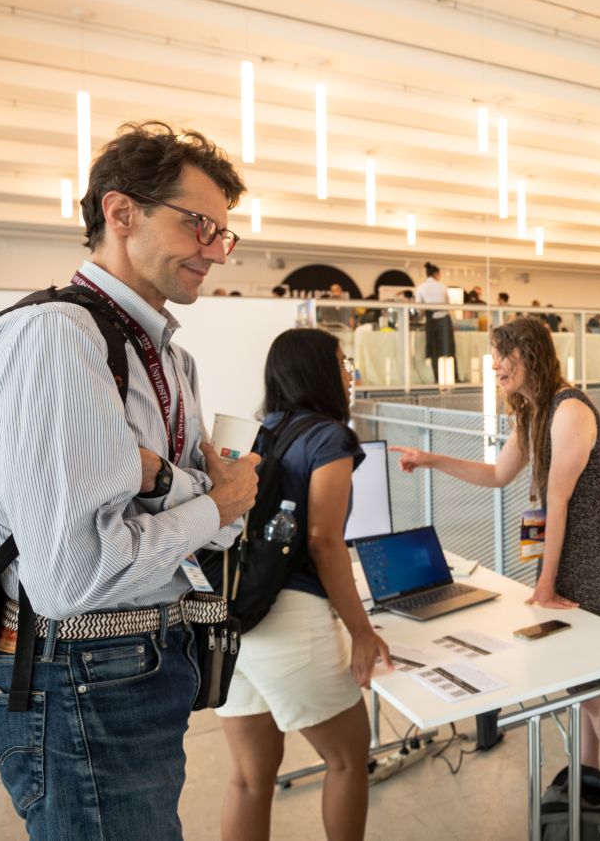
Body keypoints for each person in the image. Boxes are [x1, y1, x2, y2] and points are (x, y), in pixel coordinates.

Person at [0, 121, 261, 839]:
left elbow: (229, 512)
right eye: (199, 225)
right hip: (80, 671)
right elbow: (72, 575)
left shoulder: (168, 360)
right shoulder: (60, 339)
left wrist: (189, 494)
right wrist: (210, 501)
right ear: (121, 214)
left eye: (224, 234)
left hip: (142, 663)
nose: (216, 251)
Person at [390, 317, 600, 781]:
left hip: (592, 555)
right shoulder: (533, 412)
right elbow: (497, 475)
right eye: (494, 355)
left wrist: (544, 586)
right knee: (579, 682)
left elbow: (558, 500)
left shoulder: (569, 410)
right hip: (565, 554)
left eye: (505, 355)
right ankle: (587, 782)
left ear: (532, 355)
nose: (496, 365)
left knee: (598, 687)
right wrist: (430, 460)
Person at [217, 328, 392, 841]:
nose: (348, 373)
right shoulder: (329, 438)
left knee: (249, 778)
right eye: (342, 362)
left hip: (234, 620)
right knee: (346, 761)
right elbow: (323, 541)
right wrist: (361, 630)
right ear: (318, 371)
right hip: (292, 622)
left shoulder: (253, 434)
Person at [415, 262, 456, 383]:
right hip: (444, 318)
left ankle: (436, 377)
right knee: (448, 349)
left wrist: (420, 317)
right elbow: (448, 304)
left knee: (433, 350)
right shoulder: (442, 286)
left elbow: (419, 308)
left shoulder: (421, 288)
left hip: (430, 319)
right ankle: (452, 377)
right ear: (436, 274)